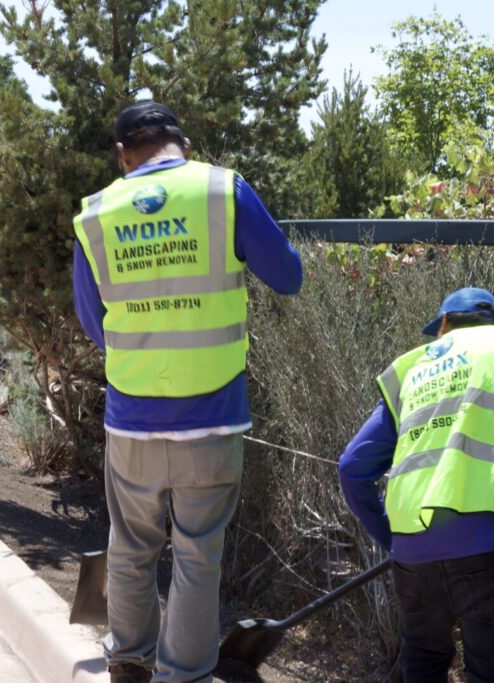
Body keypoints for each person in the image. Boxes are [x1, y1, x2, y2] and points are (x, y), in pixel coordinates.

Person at [72, 101, 302, 683]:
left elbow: (91, 319)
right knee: (198, 557)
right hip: (213, 415)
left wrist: (147, 352)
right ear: (186, 146)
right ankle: (184, 676)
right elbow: (289, 275)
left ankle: (129, 663)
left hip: (132, 418)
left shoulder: (96, 213)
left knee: (130, 547)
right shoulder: (224, 191)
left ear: (123, 156)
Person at [338, 287, 494, 683]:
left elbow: (352, 468)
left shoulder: (411, 368)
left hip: (413, 550)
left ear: (444, 323)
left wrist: (393, 540)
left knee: (422, 666)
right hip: (490, 542)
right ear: (492, 320)